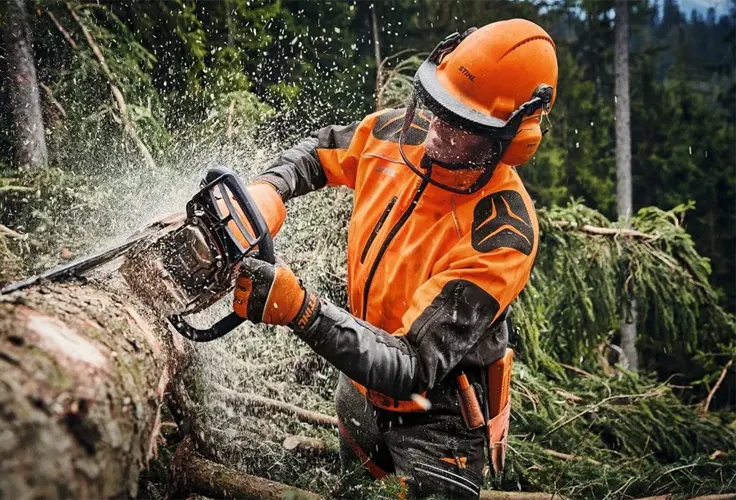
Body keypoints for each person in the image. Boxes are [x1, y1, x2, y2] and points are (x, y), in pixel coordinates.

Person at [231, 18, 558, 499]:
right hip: (360, 387)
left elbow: (411, 368)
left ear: (509, 143)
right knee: (350, 489)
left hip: (438, 425)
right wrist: (266, 190)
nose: (439, 130)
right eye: (439, 106)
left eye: (463, 124)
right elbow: (317, 153)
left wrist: (302, 310)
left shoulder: (500, 234)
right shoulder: (394, 135)